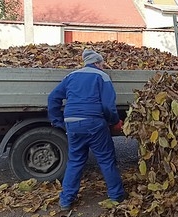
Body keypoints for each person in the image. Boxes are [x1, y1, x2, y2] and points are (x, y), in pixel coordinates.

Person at [48, 49, 127, 211]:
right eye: (102, 64)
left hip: (72, 122)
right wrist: (114, 121)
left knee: (75, 161)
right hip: (93, 122)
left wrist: (57, 120)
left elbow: (53, 97)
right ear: (97, 63)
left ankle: (66, 200)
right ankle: (117, 195)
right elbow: (107, 105)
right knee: (106, 159)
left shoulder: (71, 76)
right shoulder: (102, 76)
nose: (104, 67)